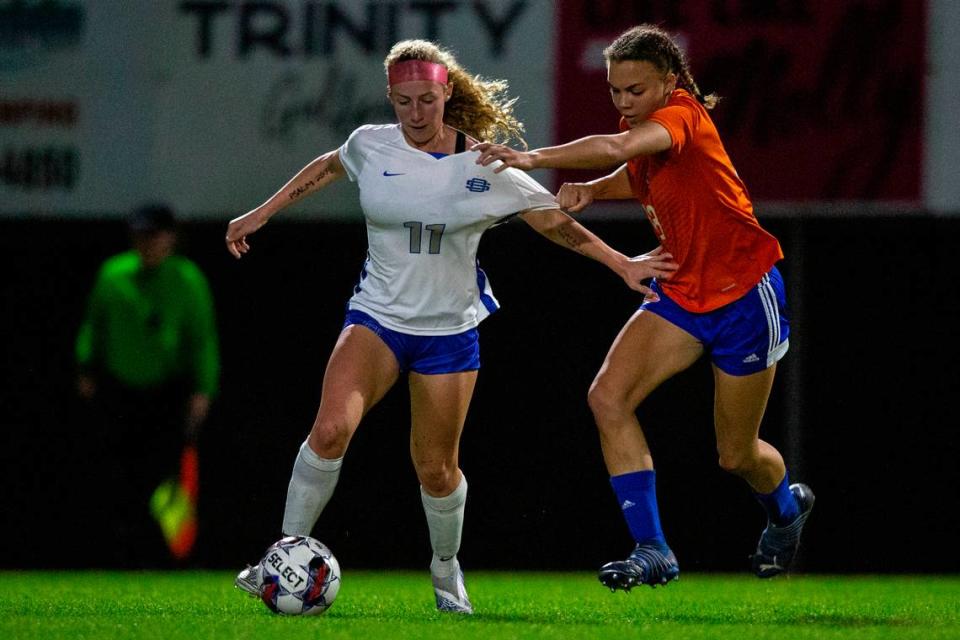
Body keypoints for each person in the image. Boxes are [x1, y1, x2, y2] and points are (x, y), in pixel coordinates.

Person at [224, 39, 678, 613]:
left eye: (427, 100)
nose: (415, 113)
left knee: (436, 471)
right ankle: (282, 555)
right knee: (331, 430)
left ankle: (445, 571)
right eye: (404, 101)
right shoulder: (370, 145)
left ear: (447, 94)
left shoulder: (485, 165)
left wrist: (621, 262)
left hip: (448, 332)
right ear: (391, 98)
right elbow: (328, 166)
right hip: (377, 319)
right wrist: (260, 213)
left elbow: (553, 223)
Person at [473, 24, 814, 589]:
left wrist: (531, 158)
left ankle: (785, 508)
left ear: (670, 83)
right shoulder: (650, 128)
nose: (624, 103)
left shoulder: (682, 115)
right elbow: (633, 173)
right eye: (614, 91)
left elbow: (618, 148)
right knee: (607, 397)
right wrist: (591, 191)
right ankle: (653, 549)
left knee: (735, 455)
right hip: (683, 290)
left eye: (635, 91)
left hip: (745, 297)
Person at [75, 204, 220, 567]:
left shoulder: (188, 279)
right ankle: (118, 556)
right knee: (118, 477)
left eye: (154, 235)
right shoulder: (113, 274)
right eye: (141, 236)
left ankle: (170, 559)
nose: (148, 243)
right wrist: (86, 367)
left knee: (165, 480)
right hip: (119, 393)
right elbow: (93, 327)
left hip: (165, 395)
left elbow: (202, 340)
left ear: (171, 237)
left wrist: (203, 390)